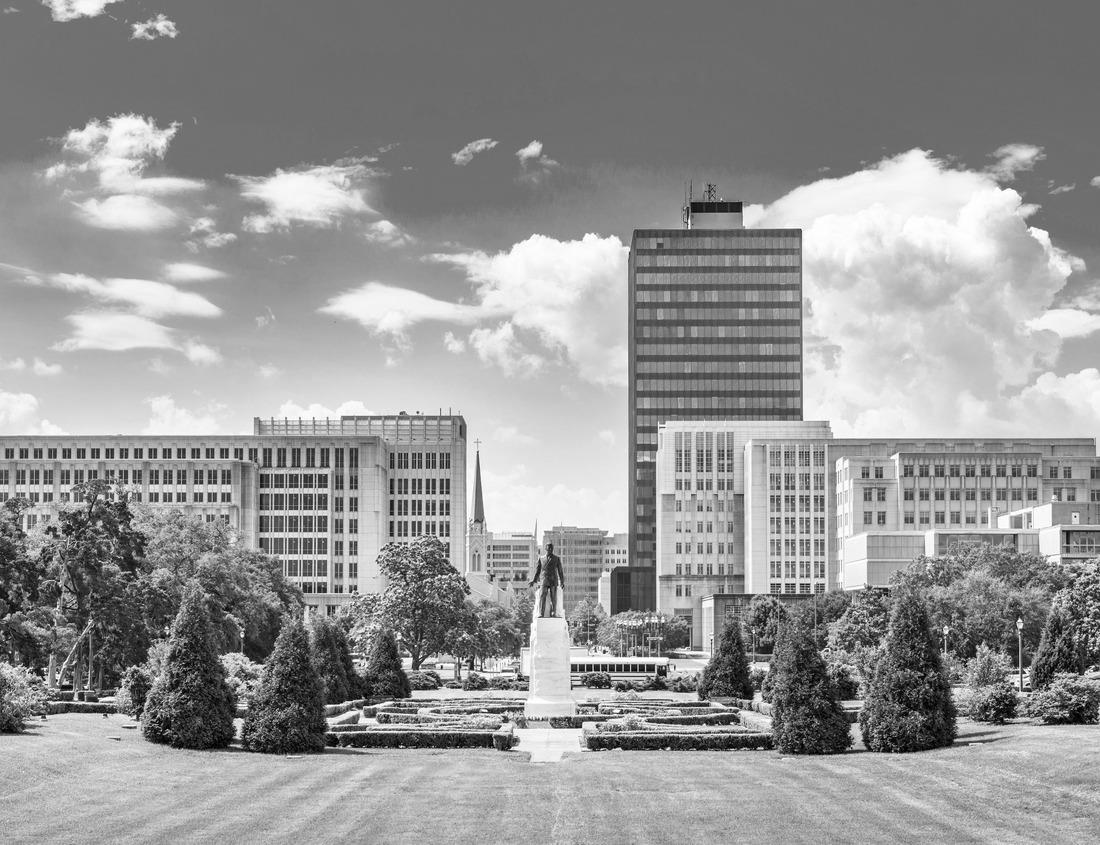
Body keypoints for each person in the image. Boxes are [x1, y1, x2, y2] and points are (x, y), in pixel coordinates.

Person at [529, 542, 566, 618]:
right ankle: (541, 613)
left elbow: (560, 571)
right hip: (544, 580)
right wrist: (534, 580)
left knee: (553, 597)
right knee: (542, 596)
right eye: (548, 548)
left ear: (553, 549)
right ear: (546, 549)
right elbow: (538, 571)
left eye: (551, 548)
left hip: (553, 580)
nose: (550, 549)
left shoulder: (556, 558)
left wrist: (562, 582)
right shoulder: (541, 559)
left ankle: (553, 612)